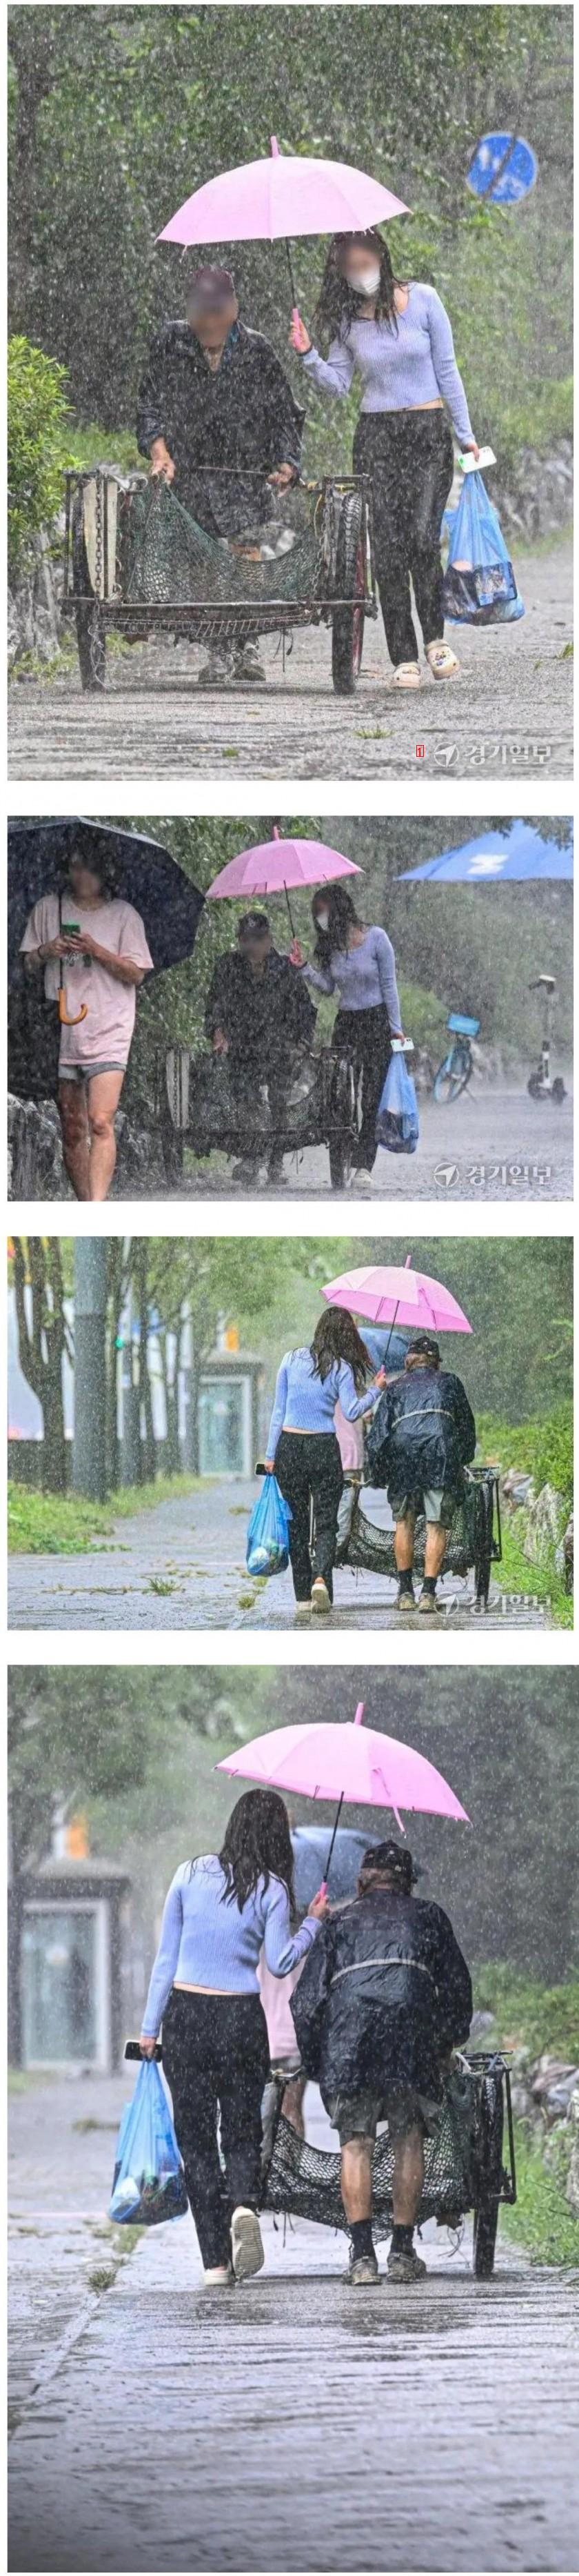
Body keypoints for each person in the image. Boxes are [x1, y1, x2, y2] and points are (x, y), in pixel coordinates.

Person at [139, 1787, 328, 2286]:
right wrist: (312, 1923)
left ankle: (215, 2263)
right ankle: (243, 2203)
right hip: (242, 2018)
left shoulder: (188, 1873)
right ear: (275, 1837)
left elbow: (165, 1961)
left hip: (187, 2014)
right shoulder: (270, 1889)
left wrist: (148, 2030)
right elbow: (281, 1963)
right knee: (243, 2129)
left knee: (197, 2141)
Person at [291, 230, 479, 689]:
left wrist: (466, 435)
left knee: (421, 534)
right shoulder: (347, 321)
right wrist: (308, 354)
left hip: (428, 433)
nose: (360, 274)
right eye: (349, 269)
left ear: (381, 256)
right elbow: (338, 385)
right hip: (377, 436)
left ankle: (436, 639)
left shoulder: (424, 301)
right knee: (389, 547)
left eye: (364, 263)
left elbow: (447, 370)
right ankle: (405, 657)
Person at [291, 1838, 473, 2286]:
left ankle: (361, 2257)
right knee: (409, 2139)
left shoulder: (336, 1924)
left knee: (356, 2145)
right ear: (407, 1883)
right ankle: (403, 2251)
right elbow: (457, 1989)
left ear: (361, 1881)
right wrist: (447, 2043)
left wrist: (320, 2063)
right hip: (411, 2042)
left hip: (351, 2042)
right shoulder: (429, 1916)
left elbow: (305, 2002)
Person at [137, 264, 304, 686]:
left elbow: (285, 414)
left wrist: (286, 462)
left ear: (234, 309)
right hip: (190, 472)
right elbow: (148, 405)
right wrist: (160, 452)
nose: (208, 323)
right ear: (188, 311)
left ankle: (246, 644)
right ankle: (219, 648)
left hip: (243, 472)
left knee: (244, 557)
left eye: (216, 312)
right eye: (200, 313)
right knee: (203, 562)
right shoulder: (170, 341)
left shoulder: (258, 350)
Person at [19, 849, 153, 1201]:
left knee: (100, 1121)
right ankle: (87, 1203)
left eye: (91, 867)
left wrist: (97, 950)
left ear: (105, 871)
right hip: (63, 1025)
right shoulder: (50, 908)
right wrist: (48, 950)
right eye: (76, 866)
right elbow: (27, 964)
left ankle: (96, 1209)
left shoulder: (124, 916)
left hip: (110, 1025)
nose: (83, 875)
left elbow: (136, 974)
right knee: (74, 1128)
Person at [264, 1308, 385, 1618]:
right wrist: (376, 1390)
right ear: (345, 1336)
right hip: (323, 1447)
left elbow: (278, 1412)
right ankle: (321, 1578)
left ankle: (303, 1597)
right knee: (327, 1522)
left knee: (296, 1523)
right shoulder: (342, 1368)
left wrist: (270, 1455)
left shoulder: (290, 1360)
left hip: (290, 1447)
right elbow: (353, 1411)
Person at [290, 886, 405, 1178]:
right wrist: (303, 968)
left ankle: (364, 1164)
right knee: (340, 1090)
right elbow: (329, 988)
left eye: (324, 912)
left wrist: (396, 1029)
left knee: (371, 1095)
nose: (321, 920)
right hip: (347, 1023)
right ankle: (343, 1145)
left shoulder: (377, 939)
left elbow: (390, 986)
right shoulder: (330, 947)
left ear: (340, 910)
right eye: (317, 914)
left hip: (377, 1021)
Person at [365, 1329, 476, 1613]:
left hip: (404, 1460)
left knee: (404, 1522)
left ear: (408, 1362)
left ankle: (405, 1592)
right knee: (436, 1525)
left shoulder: (394, 1388)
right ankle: (428, 1592)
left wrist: (378, 1473)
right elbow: (466, 1428)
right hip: (441, 1456)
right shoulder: (451, 1383)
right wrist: (461, 1459)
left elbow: (377, 1438)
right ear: (436, 1362)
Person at [205, 910, 316, 1188]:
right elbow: (214, 1004)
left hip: (280, 1047)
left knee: (279, 1103)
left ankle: (276, 1162)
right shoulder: (228, 966)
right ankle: (253, 1157)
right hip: (243, 1047)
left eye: (257, 939)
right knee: (247, 1100)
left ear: (269, 940)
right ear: (239, 941)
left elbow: (305, 1009)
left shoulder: (286, 970)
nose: (251, 945)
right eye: (245, 939)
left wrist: (302, 1042)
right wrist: (218, 1033)